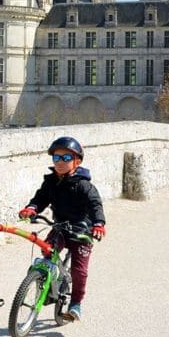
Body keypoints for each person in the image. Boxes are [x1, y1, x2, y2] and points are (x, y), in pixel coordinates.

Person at [18, 135, 105, 322]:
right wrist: (32, 208)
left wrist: (98, 224)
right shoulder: (51, 182)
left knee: (79, 271)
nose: (60, 162)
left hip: (81, 231)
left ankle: (75, 303)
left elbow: (95, 205)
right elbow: (40, 198)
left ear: (77, 161)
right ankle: (45, 278)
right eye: (56, 158)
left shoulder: (84, 185)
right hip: (60, 226)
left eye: (66, 158)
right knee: (46, 249)